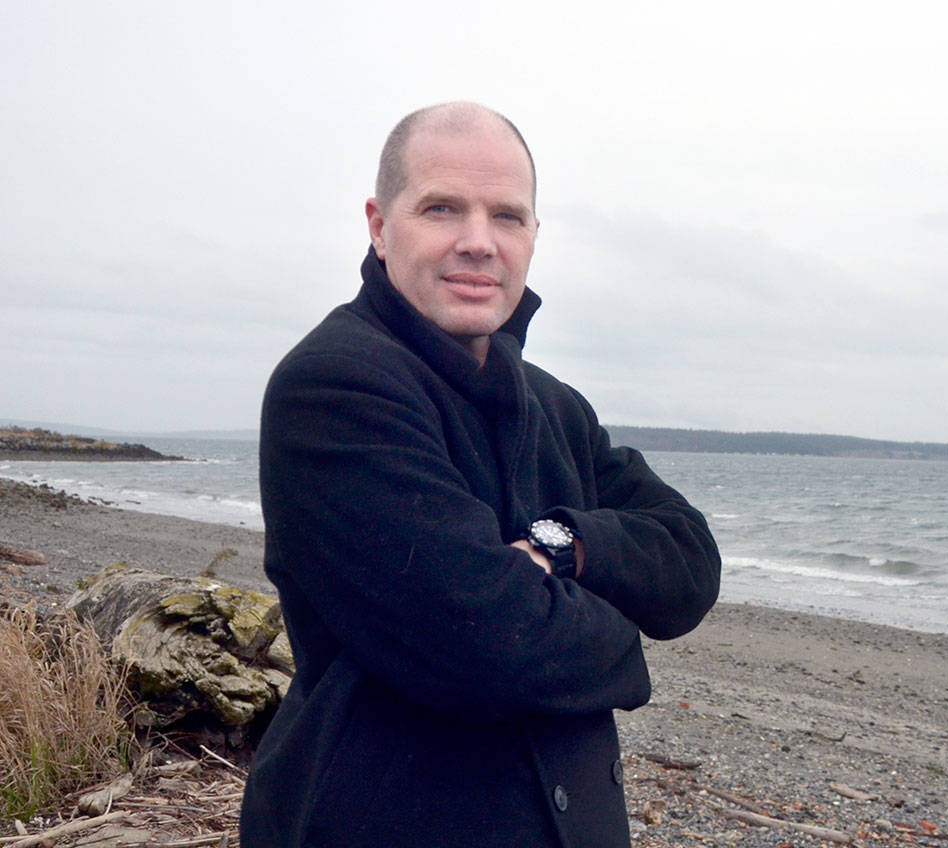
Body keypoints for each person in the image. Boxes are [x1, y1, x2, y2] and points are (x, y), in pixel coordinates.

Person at [239, 102, 721, 847]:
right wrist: (624, 635)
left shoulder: (554, 405)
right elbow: (485, 645)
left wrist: (566, 547)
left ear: (533, 235)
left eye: (507, 216)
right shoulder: (335, 387)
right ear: (378, 223)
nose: (477, 242)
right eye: (441, 208)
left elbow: (690, 562)